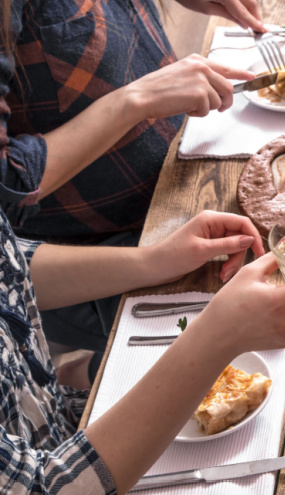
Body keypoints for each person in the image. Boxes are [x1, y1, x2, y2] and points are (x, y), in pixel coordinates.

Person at [0, 207, 285, 495]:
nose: (13, 140)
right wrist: (219, 334)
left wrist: (154, 260)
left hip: (53, 414)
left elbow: (11, 264)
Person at [0, 0, 267, 378]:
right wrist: (134, 101)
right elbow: (6, 188)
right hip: (103, 250)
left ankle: (87, 372)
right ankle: (89, 375)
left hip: (185, 175)